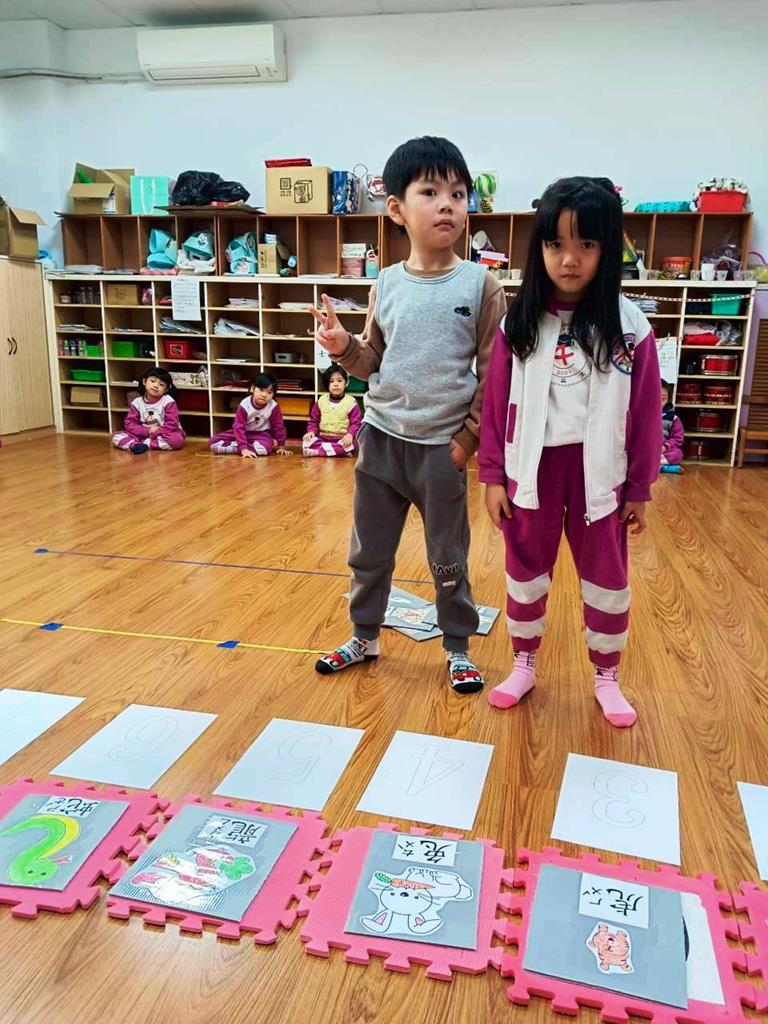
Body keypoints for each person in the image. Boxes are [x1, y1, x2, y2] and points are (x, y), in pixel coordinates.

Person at [311, 136, 507, 694]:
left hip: (441, 450)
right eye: (431, 192)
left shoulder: (481, 284)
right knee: (368, 551)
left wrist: (468, 440)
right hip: (380, 440)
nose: (448, 204)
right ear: (396, 208)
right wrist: (343, 346)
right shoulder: (387, 282)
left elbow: (494, 375)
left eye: (458, 194)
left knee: (448, 556)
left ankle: (458, 647)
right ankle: (364, 635)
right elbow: (372, 360)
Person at [478, 176, 661, 727]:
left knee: (607, 577)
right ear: (539, 248)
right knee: (525, 570)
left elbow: (645, 412)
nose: (570, 259)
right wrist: (493, 475)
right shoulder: (519, 323)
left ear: (607, 249)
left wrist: (640, 486)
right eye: (556, 244)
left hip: (599, 475)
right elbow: (495, 404)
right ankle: (523, 663)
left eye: (586, 244)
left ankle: (606, 675)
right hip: (531, 471)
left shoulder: (630, 327)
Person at [209, 372, 291, 457]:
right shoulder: (244, 404)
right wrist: (243, 449)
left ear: (273, 394)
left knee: (265, 448)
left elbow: (278, 426)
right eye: (261, 390)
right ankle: (242, 446)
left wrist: (281, 446)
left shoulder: (273, 406)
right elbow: (238, 427)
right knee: (213, 441)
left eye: (269, 392)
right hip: (243, 432)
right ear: (252, 388)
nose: (264, 395)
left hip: (261, 434)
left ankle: (238, 447)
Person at [112, 367, 185, 454]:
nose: (156, 386)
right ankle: (135, 445)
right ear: (144, 381)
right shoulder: (137, 402)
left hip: (165, 433)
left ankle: (145, 444)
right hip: (143, 434)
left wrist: (156, 432)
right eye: (152, 381)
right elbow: (130, 423)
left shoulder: (168, 401)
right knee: (116, 437)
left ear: (166, 390)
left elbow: (172, 424)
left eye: (161, 384)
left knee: (176, 440)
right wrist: (147, 431)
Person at [303, 364, 362, 457]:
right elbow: (314, 421)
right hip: (323, 438)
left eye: (339, 380)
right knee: (306, 442)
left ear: (346, 383)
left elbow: (356, 423)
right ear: (327, 384)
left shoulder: (351, 402)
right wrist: (311, 432)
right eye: (331, 381)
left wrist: (350, 435)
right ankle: (335, 451)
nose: (335, 384)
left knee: (352, 445)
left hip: (342, 439)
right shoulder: (321, 401)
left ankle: (318, 452)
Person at [660, 379, 684, 467]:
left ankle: (656, 465)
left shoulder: (673, 418)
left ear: (668, 400)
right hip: (645, 449)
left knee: (677, 454)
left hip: (662, 449)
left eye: (663, 399)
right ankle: (658, 465)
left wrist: (665, 446)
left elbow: (677, 438)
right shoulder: (641, 414)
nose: (658, 402)